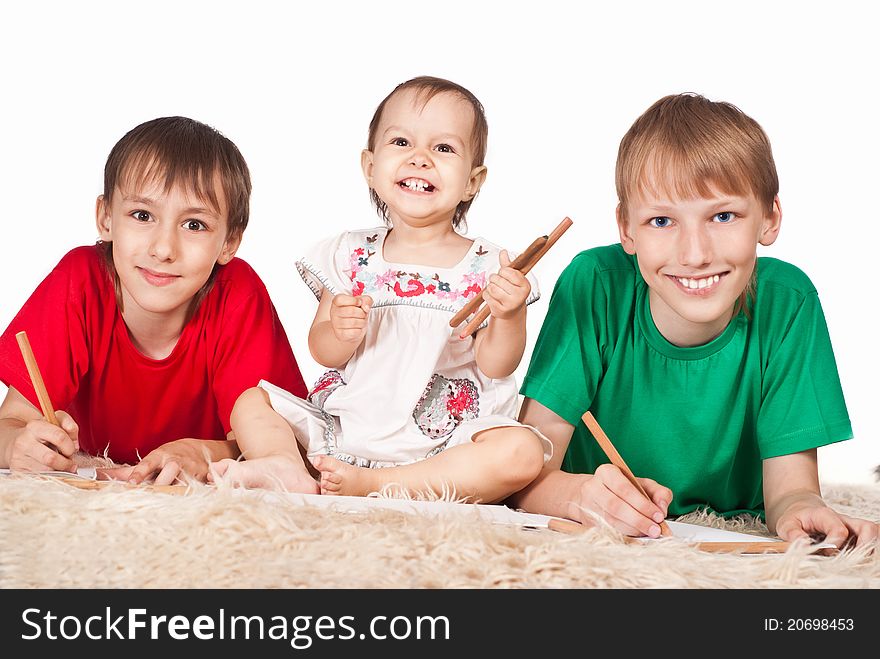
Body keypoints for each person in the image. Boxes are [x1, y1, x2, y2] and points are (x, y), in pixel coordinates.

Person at [509, 93, 879, 548]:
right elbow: (522, 472)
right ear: (627, 229)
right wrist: (578, 494)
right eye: (662, 221)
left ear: (769, 218)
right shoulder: (593, 285)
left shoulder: (789, 301)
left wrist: (803, 513)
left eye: (723, 215)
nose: (695, 255)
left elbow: (792, 489)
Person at [212, 76, 550, 501]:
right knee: (249, 401)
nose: (420, 159)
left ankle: (381, 486)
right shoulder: (349, 255)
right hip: (347, 429)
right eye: (402, 143)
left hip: (439, 444)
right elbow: (324, 351)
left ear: (472, 181)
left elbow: (497, 365)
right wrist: (339, 330)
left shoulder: (488, 266)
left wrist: (509, 314)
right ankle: (284, 465)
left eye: (443, 148)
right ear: (370, 167)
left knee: (521, 452)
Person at [0, 116, 307, 485]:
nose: (163, 249)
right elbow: (9, 425)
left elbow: (284, 449)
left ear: (229, 243)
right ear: (106, 218)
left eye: (194, 225)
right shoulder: (78, 282)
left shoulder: (236, 293)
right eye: (142, 215)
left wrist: (201, 452)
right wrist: (18, 444)